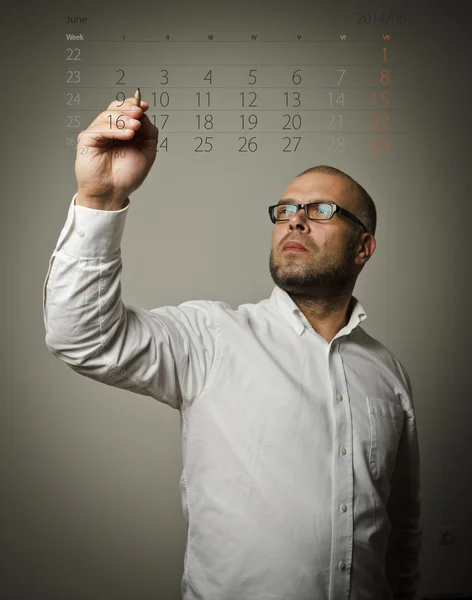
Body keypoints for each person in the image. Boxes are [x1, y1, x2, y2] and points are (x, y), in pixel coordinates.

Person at [43, 96, 422, 600]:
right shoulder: (211, 338)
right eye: (286, 209)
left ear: (363, 247)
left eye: (322, 210)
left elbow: (401, 524)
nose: (296, 220)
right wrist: (102, 197)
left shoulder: (388, 372)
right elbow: (82, 336)